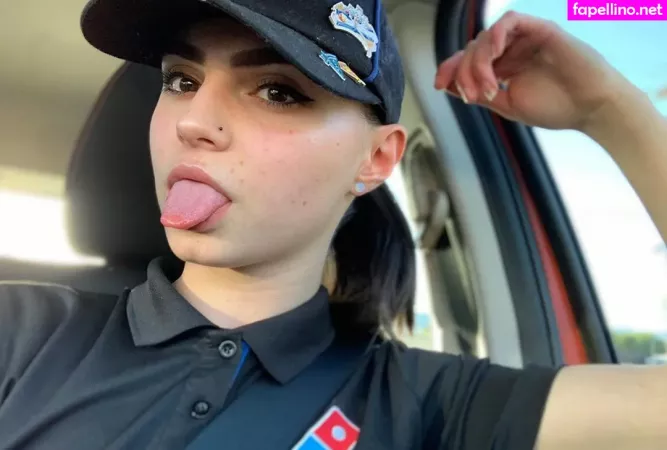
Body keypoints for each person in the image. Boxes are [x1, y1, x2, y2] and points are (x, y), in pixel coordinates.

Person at [0, 0, 666, 449]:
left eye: (278, 92)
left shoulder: (431, 403)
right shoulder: (21, 330)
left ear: (375, 160)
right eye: (180, 80)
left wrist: (611, 109)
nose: (193, 121)